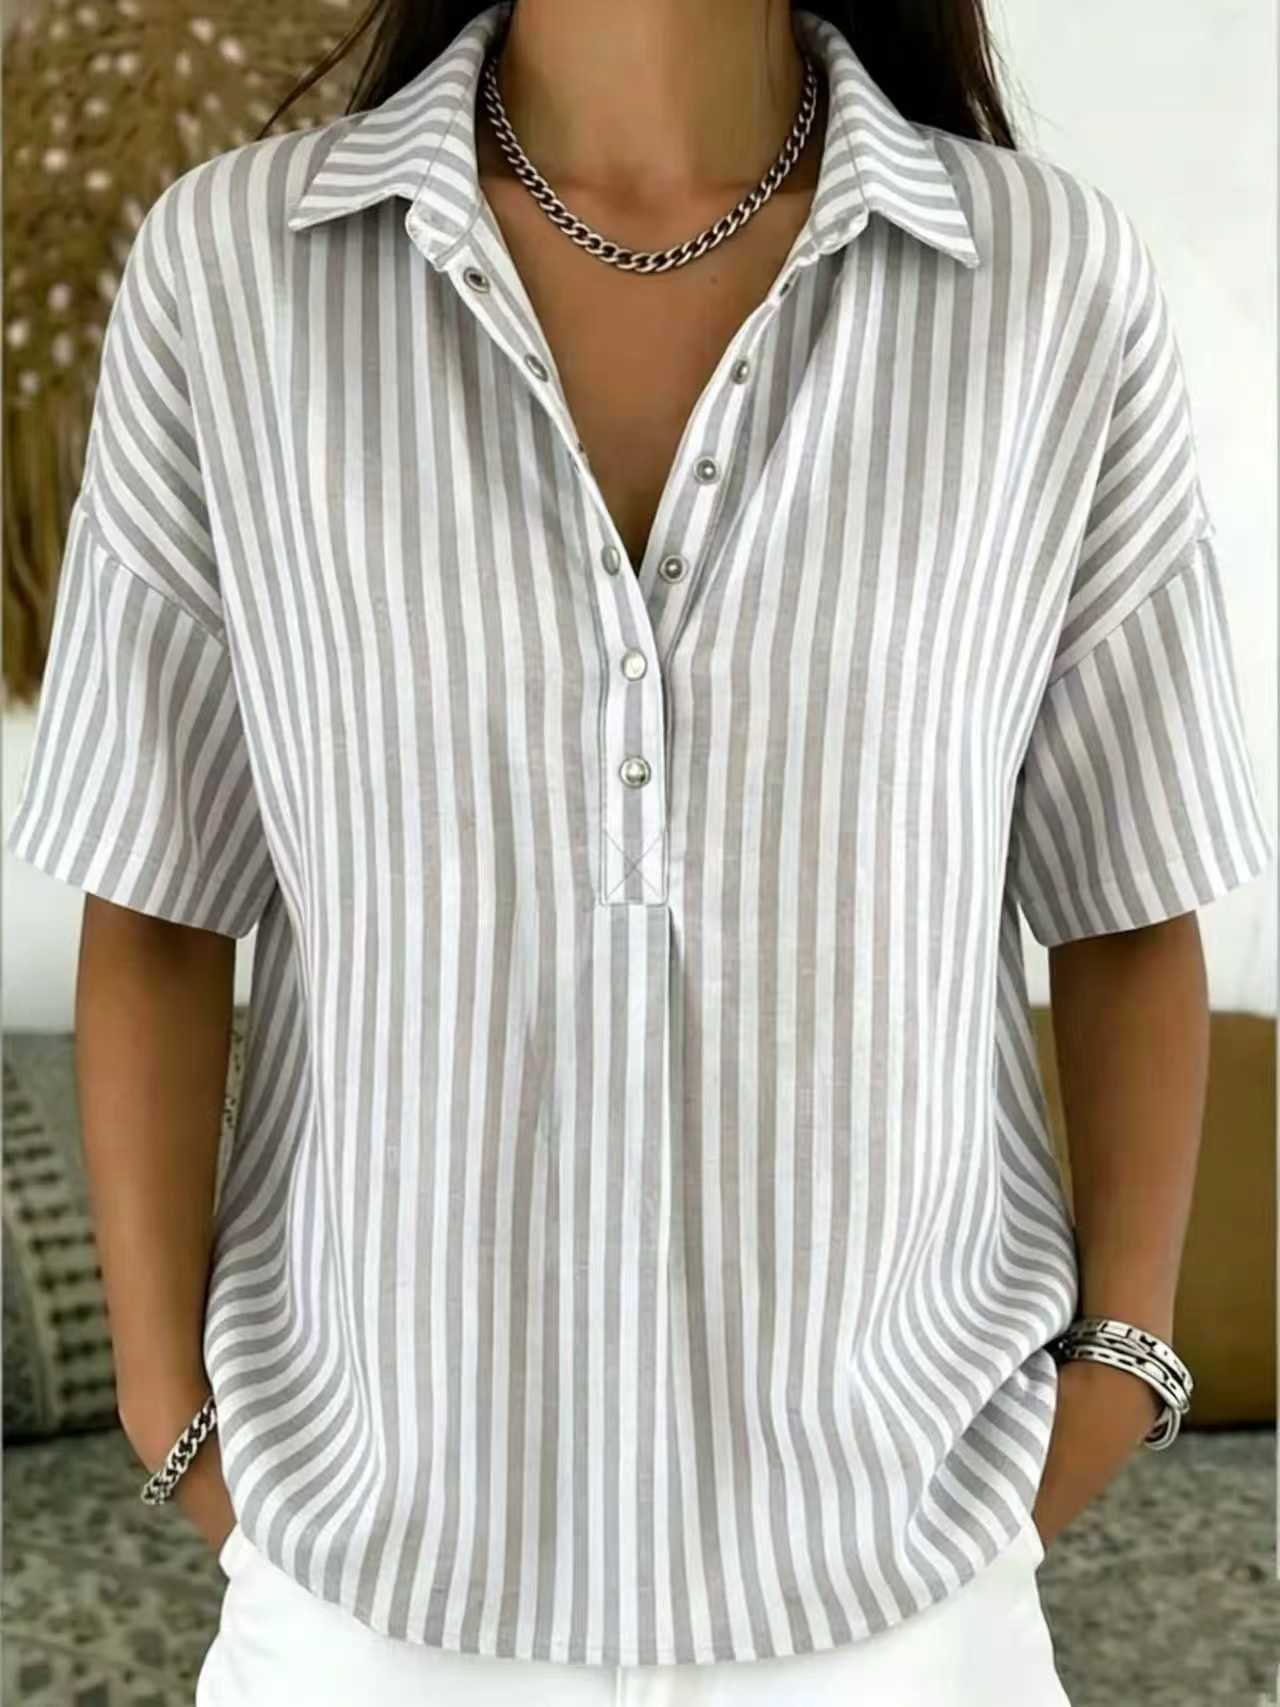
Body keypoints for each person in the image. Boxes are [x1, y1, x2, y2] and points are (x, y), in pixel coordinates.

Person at [6, 1, 1272, 1702]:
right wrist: (174, 1417)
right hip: (363, 1597)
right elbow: (158, 903)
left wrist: (1117, 1371)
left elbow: (1127, 900)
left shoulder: (1045, 286)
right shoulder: (237, 274)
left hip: (910, 1595)